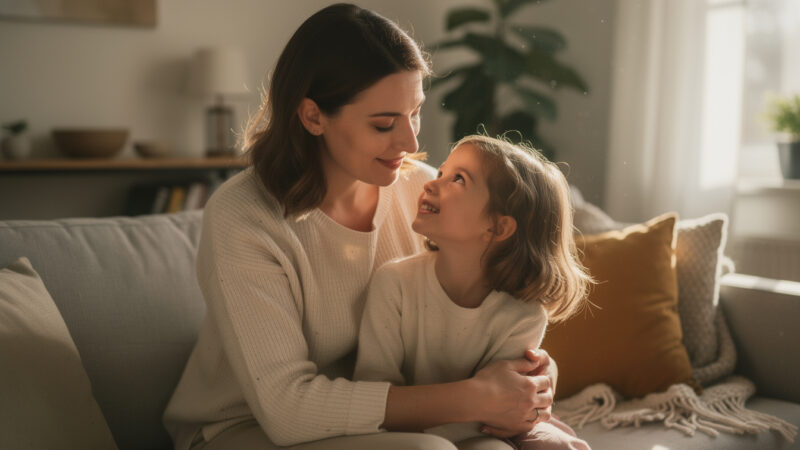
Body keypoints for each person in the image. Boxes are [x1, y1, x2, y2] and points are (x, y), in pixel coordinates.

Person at [163, 4, 558, 449]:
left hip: (393, 425)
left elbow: (487, 315)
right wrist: (472, 399)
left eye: (415, 113)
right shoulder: (244, 217)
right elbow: (287, 410)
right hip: (242, 427)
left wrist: (528, 399)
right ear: (313, 116)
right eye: (384, 123)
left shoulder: (427, 196)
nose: (410, 142)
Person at [354, 135, 593, 450]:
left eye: (457, 179)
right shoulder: (393, 283)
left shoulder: (524, 315)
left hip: (485, 434)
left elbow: (500, 416)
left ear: (497, 228)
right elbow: (374, 395)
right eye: (440, 173)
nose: (430, 184)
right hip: (401, 433)